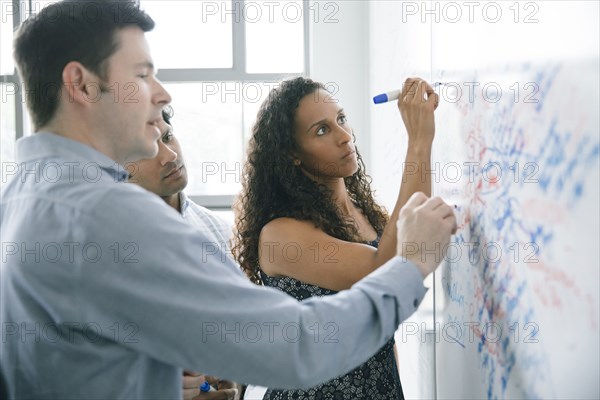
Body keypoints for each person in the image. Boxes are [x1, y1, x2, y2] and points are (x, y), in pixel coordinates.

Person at [0, 1, 457, 398]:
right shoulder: (103, 214)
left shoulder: (20, 199)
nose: (161, 94)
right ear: (81, 85)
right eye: (141, 76)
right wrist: (412, 262)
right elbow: (296, 347)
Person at [233, 77, 438, 399]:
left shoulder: (367, 214)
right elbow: (386, 271)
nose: (345, 136)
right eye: (322, 130)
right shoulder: (279, 235)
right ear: (292, 154)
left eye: (341, 119)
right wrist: (419, 141)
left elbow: (383, 325)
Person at [129, 105, 243, 400]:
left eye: (168, 138)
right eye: (148, 152)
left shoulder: (220, 234)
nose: (170, 156)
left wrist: (234, 384)